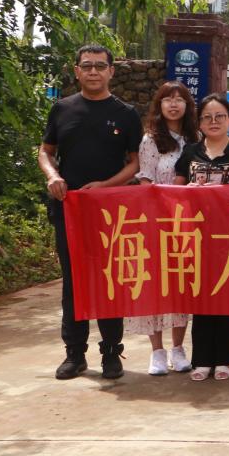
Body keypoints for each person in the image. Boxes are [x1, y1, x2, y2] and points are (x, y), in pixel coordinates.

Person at [40, 45, 143, 380]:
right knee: (74, 281)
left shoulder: (126, 114)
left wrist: (106, 186)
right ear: (77, 71)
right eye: (87, 66)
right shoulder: (62, 109)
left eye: (100, 66)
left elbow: (135, 163)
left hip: (111, 213)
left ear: (111, 71)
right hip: (69, 210)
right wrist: (53, 176)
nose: (94, 71)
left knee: (110, 279)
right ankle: (75, 353)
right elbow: (46, 151)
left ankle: (111, 352)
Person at [174, 94, 229, 381]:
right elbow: (175, 190)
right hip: (196, 236)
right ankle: (201, 359)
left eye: (220, 116)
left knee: (225, 295)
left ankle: (224, 358)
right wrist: (188, 191)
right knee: (200, 297)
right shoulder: (190, 152)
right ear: (199, 122)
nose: (214, 122)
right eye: (207, 117)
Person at [128, 81, 198, 376]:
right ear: (159, 105)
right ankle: (157, 351)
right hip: (157, 222)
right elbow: (145, 180)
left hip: (189, 224)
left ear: (187, 106)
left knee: (182, 285)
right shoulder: (151, 140)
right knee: (155, 285)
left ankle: (178, 348)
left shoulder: (196, 137)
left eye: (179, 99)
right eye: (167, 99)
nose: (173, 104)